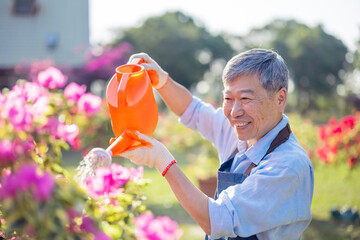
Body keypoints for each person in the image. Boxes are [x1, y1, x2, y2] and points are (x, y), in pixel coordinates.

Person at [120, 49, 314, 240]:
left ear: (280, 99)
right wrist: (160, 80)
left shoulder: (288, 165)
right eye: (228, 98)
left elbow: (218, 220)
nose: (234, 112)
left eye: (246, 99)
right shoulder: (242, 132)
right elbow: (193, 111)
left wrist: (162, 161)